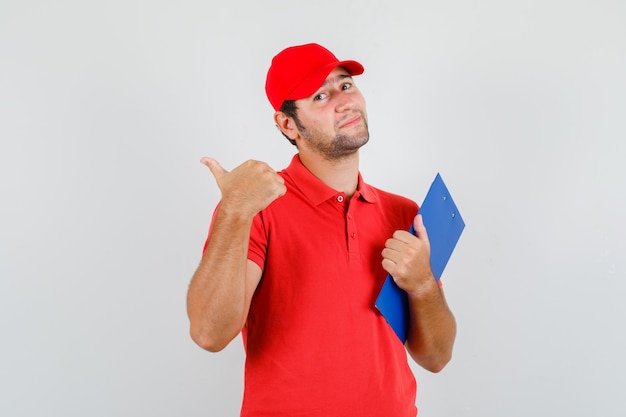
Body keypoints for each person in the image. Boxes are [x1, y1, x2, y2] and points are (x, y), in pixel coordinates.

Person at [186, 43, 457, 416]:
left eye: (345, 86)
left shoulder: (405, 213)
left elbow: (437, 357)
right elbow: (209, 334)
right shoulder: (257, 207)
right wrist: (234, 210)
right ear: (287, 124)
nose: (343, 101)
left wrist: (424, 284)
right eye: (320, 95)